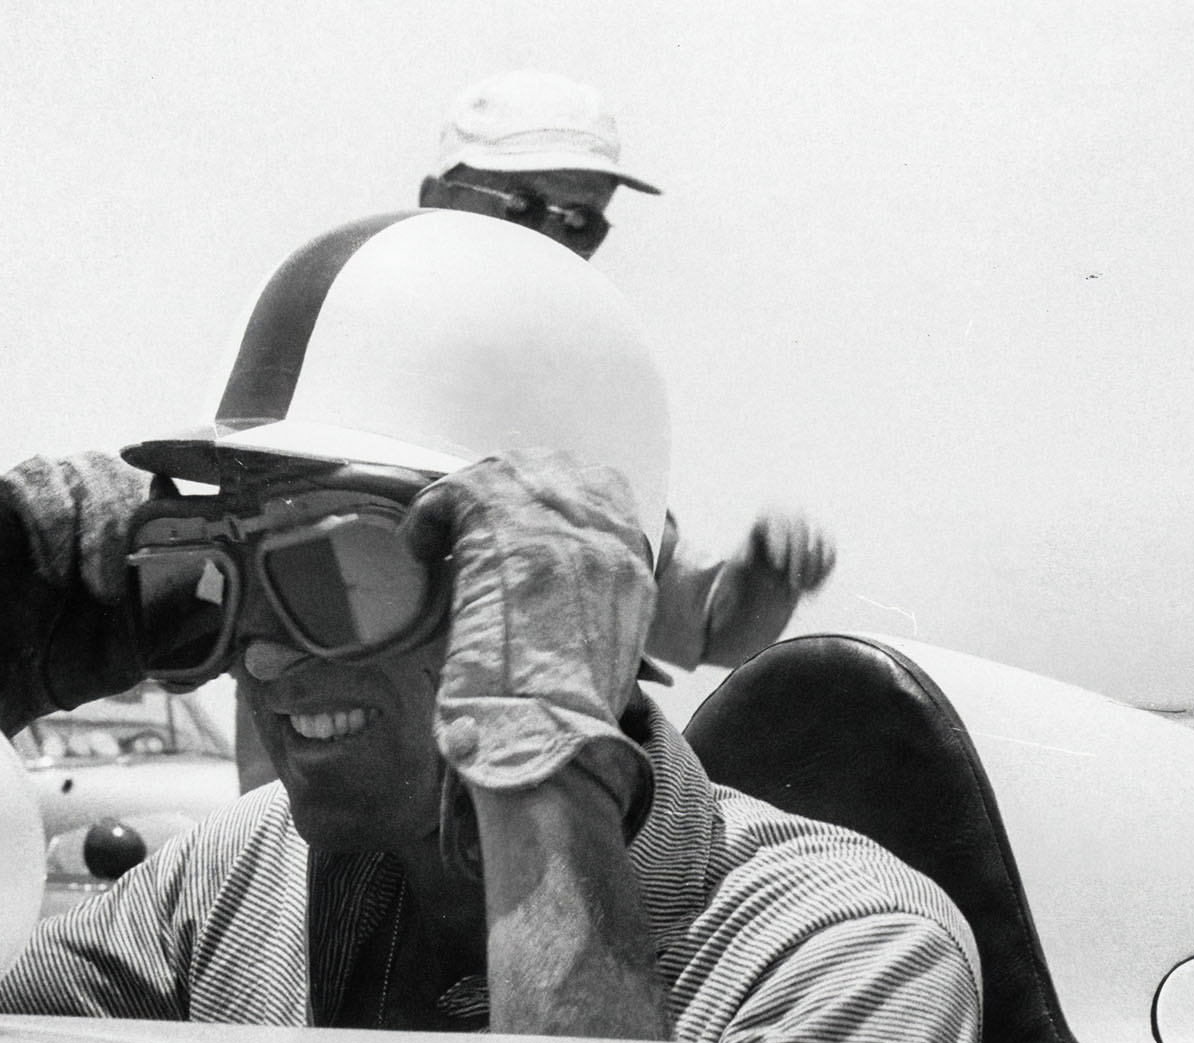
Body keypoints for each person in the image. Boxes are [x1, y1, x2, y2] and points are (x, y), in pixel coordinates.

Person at [0, 211, 979, 1043]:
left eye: (344, 567)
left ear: (578, 598)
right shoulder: (240, 880)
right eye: (223, 576)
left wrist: (539, 768)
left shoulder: (845, 953)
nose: (266, 652)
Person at [227, 70, 839, 795]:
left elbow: (703, 630)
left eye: (581, 220)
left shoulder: (569, 413)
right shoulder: (344, 349)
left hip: (520, 822)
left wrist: (764, 577)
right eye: (524, 206)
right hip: (329, 797)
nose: (555, 236)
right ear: (436, 198)